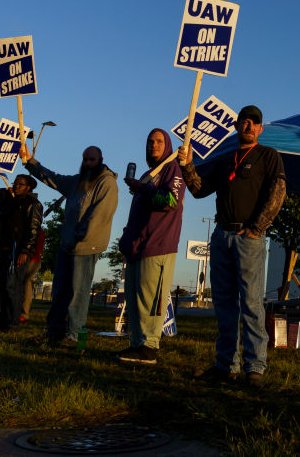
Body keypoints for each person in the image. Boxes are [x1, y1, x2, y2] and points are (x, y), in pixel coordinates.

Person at [178, 105, 286, 388]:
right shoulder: (226, 159)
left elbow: (278, 191)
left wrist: (257, 228)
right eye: (244, 121)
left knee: (251, 303)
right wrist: (187, 165)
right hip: (222, 235)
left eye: (254, 123)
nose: (249, 126)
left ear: (260, 129)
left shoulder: (269, 156)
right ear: (237, 126)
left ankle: (255, 367)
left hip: (248, 238)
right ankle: (226, 364)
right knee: (224, 303)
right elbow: (199, 189)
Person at [21, 144, 119, 345]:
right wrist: (30, 162)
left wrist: (79, 237)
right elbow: (53, 178)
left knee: (78, 293)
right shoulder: (77, 182)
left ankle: (74, 336)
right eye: (85, 159)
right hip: (67, 245)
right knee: (59, 291)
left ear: (100, 160)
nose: (88, 163)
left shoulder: (107, 183)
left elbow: (99, 216)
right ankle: (54, 331)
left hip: (86, 247)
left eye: (92, 159)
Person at [117, 129, 185, 364]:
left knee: (150, 299)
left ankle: (149, 346)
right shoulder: (148, 174)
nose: (153, 145)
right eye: (149, 141)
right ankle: (136, 344)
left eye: (158, 141)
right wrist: (126, 237)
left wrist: (144, 189)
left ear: (166, 145)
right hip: (137, 247)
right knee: (135, 300)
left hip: (158, 245)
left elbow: (170, 202)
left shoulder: (172, 169)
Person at [0, 175, 42, 332]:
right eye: (16, 183)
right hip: (4, 248)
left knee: (12, 286)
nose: (16, 186)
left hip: (18, 250)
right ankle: (2, 321)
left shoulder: (33, 204)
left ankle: (13, 322)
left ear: (29, 187)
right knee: (3, 286)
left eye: (21, 184)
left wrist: (25, 250)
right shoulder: (11, 202)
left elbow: (33, 230)